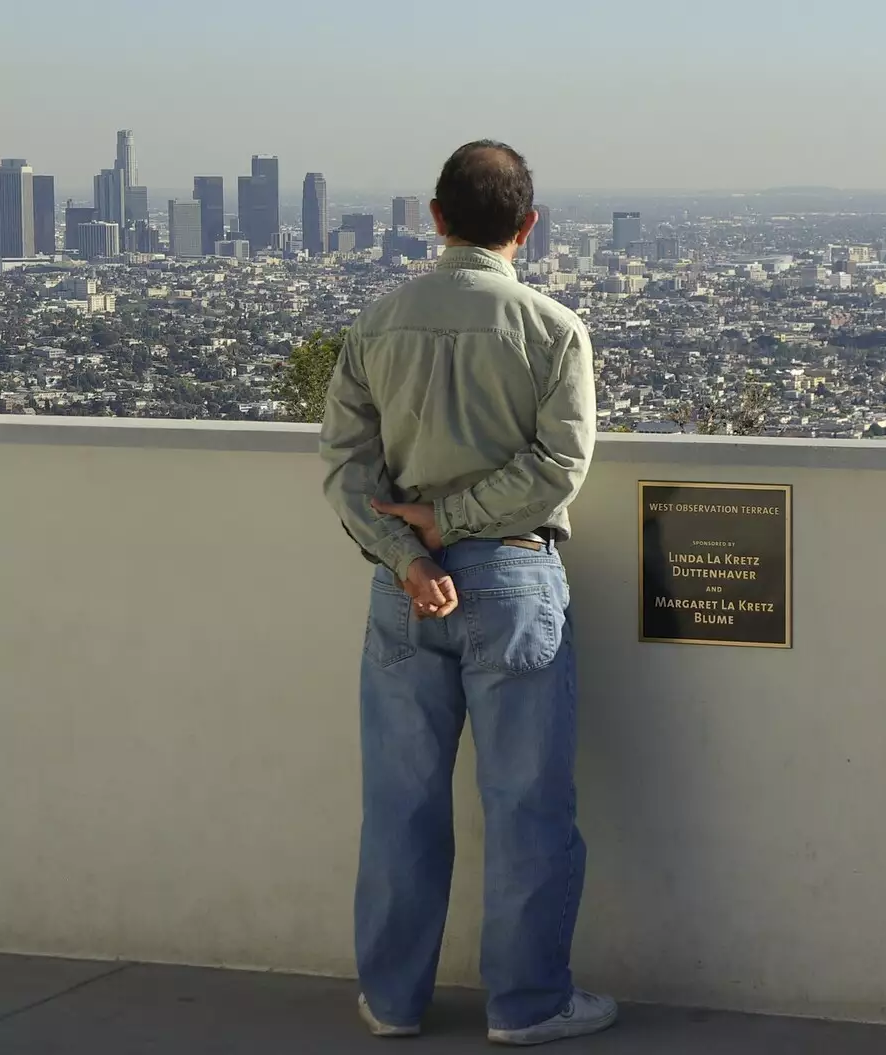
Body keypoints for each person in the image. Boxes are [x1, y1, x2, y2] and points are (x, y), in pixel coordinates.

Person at [320, 140, 614, 1046]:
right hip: (513, 581)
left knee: (402, 802)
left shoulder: (378, 323)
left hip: (403, 588)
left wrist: (408, 551)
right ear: (527, 228)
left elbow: (346, 466)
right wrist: (455, 524)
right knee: (527, 805)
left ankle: (394, 997)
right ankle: (527, 1004)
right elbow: (560, 464)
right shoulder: (553, 329)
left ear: (434, 218)